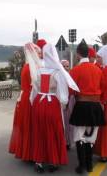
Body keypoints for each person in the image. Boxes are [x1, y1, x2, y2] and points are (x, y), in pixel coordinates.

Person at [30, 42, 79, 173]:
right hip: (52, 103)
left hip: (39, 103)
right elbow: (63, 95)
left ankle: (38, 161)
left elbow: (34, 90)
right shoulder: (57, 72)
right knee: (54, 131)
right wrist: (62, 105)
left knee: (39, 132)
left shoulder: (38, 70)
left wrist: (34, 102)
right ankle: (53, 160)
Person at [69, 41, 105, 174]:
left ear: (78, 54)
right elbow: (103, 87)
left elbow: (71, 90)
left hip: (82, 105)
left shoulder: (75, 70)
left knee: (79, 135)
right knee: (92, 135)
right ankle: (89, 165)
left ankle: (81, 165)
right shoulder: (98, 69)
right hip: (95, 106)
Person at [9, 43, 36, 161]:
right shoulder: (32, 67)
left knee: (25, 126)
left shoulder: (26, 66)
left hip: (24, 96)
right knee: (30, 126)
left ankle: (25, 151)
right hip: (30, 98)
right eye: (37, 53)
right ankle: (29, 152)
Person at [61, 59, 75, 149]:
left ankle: (68, 141)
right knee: (64, 122)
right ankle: (65, 141)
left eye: (67, 66)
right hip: (63, 102)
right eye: (64, 66)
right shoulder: (60, 76)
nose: (66, 68)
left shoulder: (70, 75)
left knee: (69, 123)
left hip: (70, 101)